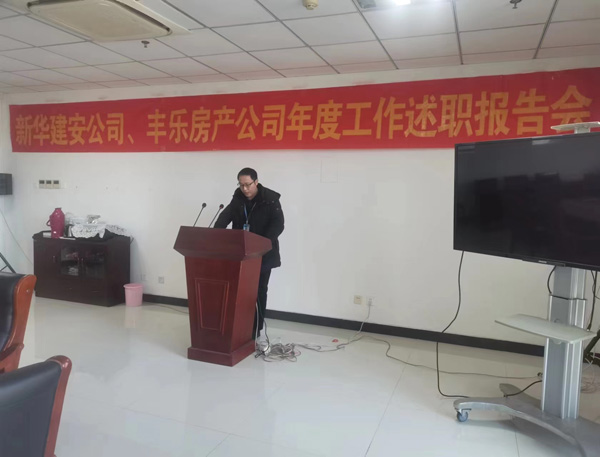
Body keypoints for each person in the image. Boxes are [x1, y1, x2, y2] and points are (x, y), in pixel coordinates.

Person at [214, 168, 284, 341]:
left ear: (256, 182)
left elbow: (278, 224)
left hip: (263, 254)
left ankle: (256, 328)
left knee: (259, 291)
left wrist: (261, 243)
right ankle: (240, 326)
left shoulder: (270, 199)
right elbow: (224, 217)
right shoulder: (238, 198)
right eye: (241, 185)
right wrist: (215, 234)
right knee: (240, 291)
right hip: (241, 253)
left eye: (248, 184)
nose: (244, 189)